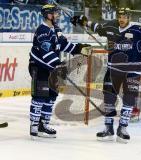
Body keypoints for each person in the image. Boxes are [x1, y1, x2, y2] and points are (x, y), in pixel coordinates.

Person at [71, 7, 141, 143]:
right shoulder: (111, 27)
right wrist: (83, 21)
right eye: (120, 16)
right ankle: (108, 128)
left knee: (128, 100)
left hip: (132, 70)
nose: (121, 19)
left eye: (124, 17)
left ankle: (122, 128)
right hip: (113, 70)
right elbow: (97, 27)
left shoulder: (137, 30)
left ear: (129, 18)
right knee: (109, 99)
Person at [29, 4, 91, 139]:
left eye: (57, 13)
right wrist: (59, 65)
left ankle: (43, 125)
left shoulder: (56, 29)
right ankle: (34, 126)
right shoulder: (42, 31)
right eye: (55, 13)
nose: (57, 15)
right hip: (39, 67)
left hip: (52, 67)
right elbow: (46, 53)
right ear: (48, 15)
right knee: (40, 97)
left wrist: (79, 49)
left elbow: (63, 44)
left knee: (51, 96)